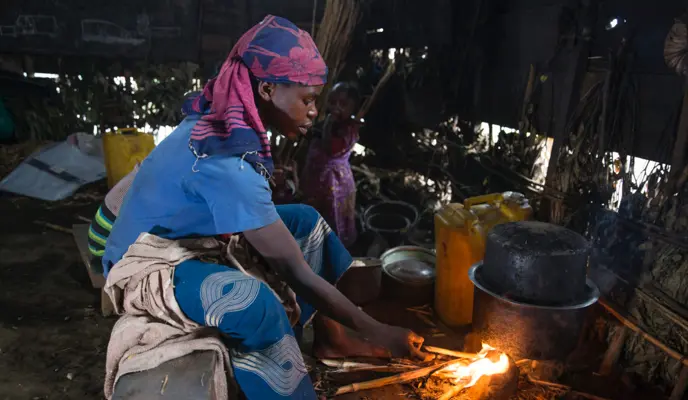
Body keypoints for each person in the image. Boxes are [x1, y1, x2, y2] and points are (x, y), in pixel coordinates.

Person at [102, 15, 425, 400]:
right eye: (307, 99)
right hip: (146, 261)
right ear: (268, 89)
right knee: (254, 304)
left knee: (307, 223)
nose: (314, 112)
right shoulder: (226, 161)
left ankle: (332, 341)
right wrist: (380, 331)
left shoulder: (229, 124)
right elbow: (296, 272)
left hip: (193, 239)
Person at [302, 82, 361, 247]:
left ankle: (337, 252)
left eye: (343, 104)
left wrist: (328, 123)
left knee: (334, 219)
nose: (336, 107)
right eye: (333, 101)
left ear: (352, 109)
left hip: (335, 185)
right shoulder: (326, 124)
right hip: (317, 184)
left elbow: (331, 148)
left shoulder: (349, 130)